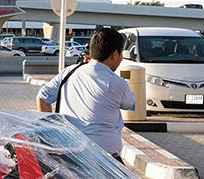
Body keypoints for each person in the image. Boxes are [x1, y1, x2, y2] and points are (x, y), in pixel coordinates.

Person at [35, 28, 136, 158]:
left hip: (69, 155)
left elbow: (42, 97)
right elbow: (128, 104)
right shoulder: (116, 83)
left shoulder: (69, 72)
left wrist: (52, 131)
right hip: (104, 161)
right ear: (115, 54)